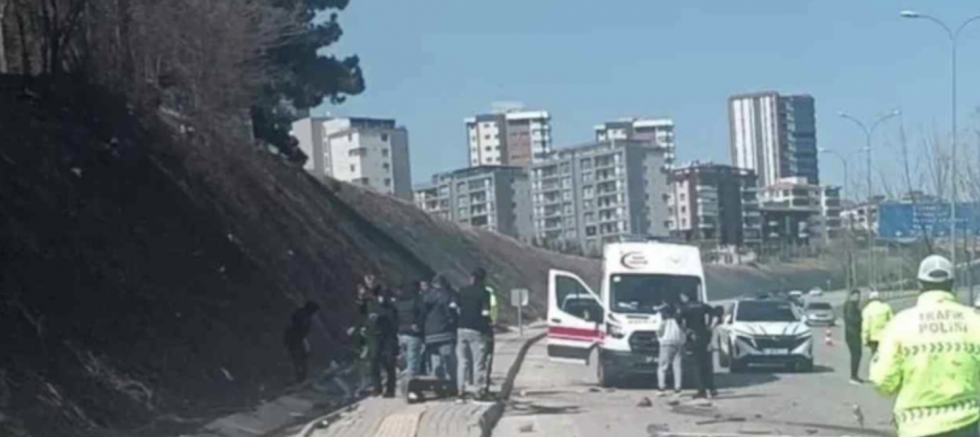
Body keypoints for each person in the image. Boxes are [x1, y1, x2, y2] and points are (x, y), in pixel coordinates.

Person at [870, 255, 980, 437]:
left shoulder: (901, 323)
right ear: (952, 284)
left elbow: (883, 382)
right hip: (967, 424)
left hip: (917, 426)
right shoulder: (975, 320)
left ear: (919, 284)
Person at [456, 268, 492, 401]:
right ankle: (478, 392)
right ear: (483, 279)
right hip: (477, 330)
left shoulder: (462, 291)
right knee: (478, 363)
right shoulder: (484, 293)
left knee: (462, 362)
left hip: (461, 328)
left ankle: (460, 392)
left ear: (471, 278)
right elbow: (485, 312)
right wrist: (487, 326)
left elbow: (458, 308)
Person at [680, 291, 720, 399]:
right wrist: (711, 326)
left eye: (682, 296)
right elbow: (717, 312)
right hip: (705, 335)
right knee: (707, 364)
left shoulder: (685, 308)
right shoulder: (703, 305)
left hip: (694, 337)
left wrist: (687, 331)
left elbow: (678, 319)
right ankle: (712, 389)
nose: (681, 298)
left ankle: (701, 390)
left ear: (686, 296)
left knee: (697, 366)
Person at [364, 281, 399, 397]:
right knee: (374, 362)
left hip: (388, 337)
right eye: (379, 295)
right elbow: (365, 319)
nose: (381, 298)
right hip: (374, 336)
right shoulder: (370, 304)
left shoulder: (391, 307)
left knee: (389, 363)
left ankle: (390, 389)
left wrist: (381, 318)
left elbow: (394, 322)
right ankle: (377, 387)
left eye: (384, 295)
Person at [423, 274, 458, 387]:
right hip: (445, 332)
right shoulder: (450, 294)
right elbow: (453, 311)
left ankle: (436, 383)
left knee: (435, 359)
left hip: (429, 333)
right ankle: (451, 384)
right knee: (449, 360)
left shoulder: (426, 295)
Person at [283, 301, 320, 384]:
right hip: (295, 340)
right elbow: (299, 329)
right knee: (300, 359)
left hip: (296, 339)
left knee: (300, 359)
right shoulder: (304, 316)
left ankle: (301, 378)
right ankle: (301, 379)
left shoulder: (301, 314)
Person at [657, 300, 686, 401]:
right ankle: (678, 388)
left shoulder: (664, 322)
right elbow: (683, 331)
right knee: (677, 367)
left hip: (666, 344)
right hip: (678, 344)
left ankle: (661, 388)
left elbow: (659, 332)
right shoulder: (679, 321)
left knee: (662, 367)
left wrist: (659, 337)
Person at [395, 281, 425, 379]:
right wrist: (418, 325)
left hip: (401, 333)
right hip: (413, 334)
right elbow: (423, 313)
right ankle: (411, 383)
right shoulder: (417, 300)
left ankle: (403, 381)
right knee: (413, 363)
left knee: (406, 360)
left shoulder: (398, 302)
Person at [861, 290, 893, 356]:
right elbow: (892, 322)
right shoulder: (886, 307)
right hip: (885, 336)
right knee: (885, 355)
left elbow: (866, 327)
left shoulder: (867, 310)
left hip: (873, 338)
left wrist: (865, 339)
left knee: (875, 356)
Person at [843, 289, 863, 384]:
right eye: (856, 296)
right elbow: (852, 319)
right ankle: (853, 376)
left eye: (859, 296)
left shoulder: (852, 305)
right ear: (851, 296)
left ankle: (855, 375)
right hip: (852, 334)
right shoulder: (850, 306)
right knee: (856, 355)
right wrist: (861, 319)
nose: (858, 298)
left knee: (857, 355)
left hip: (853, 334)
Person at [482, 284, 499, 395]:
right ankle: (485, 383)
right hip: (487, 329)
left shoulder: (469, 292)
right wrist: (493, 322)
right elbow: (494, 311)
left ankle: (477, 382)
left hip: (473, 328)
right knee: (487, 357)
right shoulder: (490, 294)